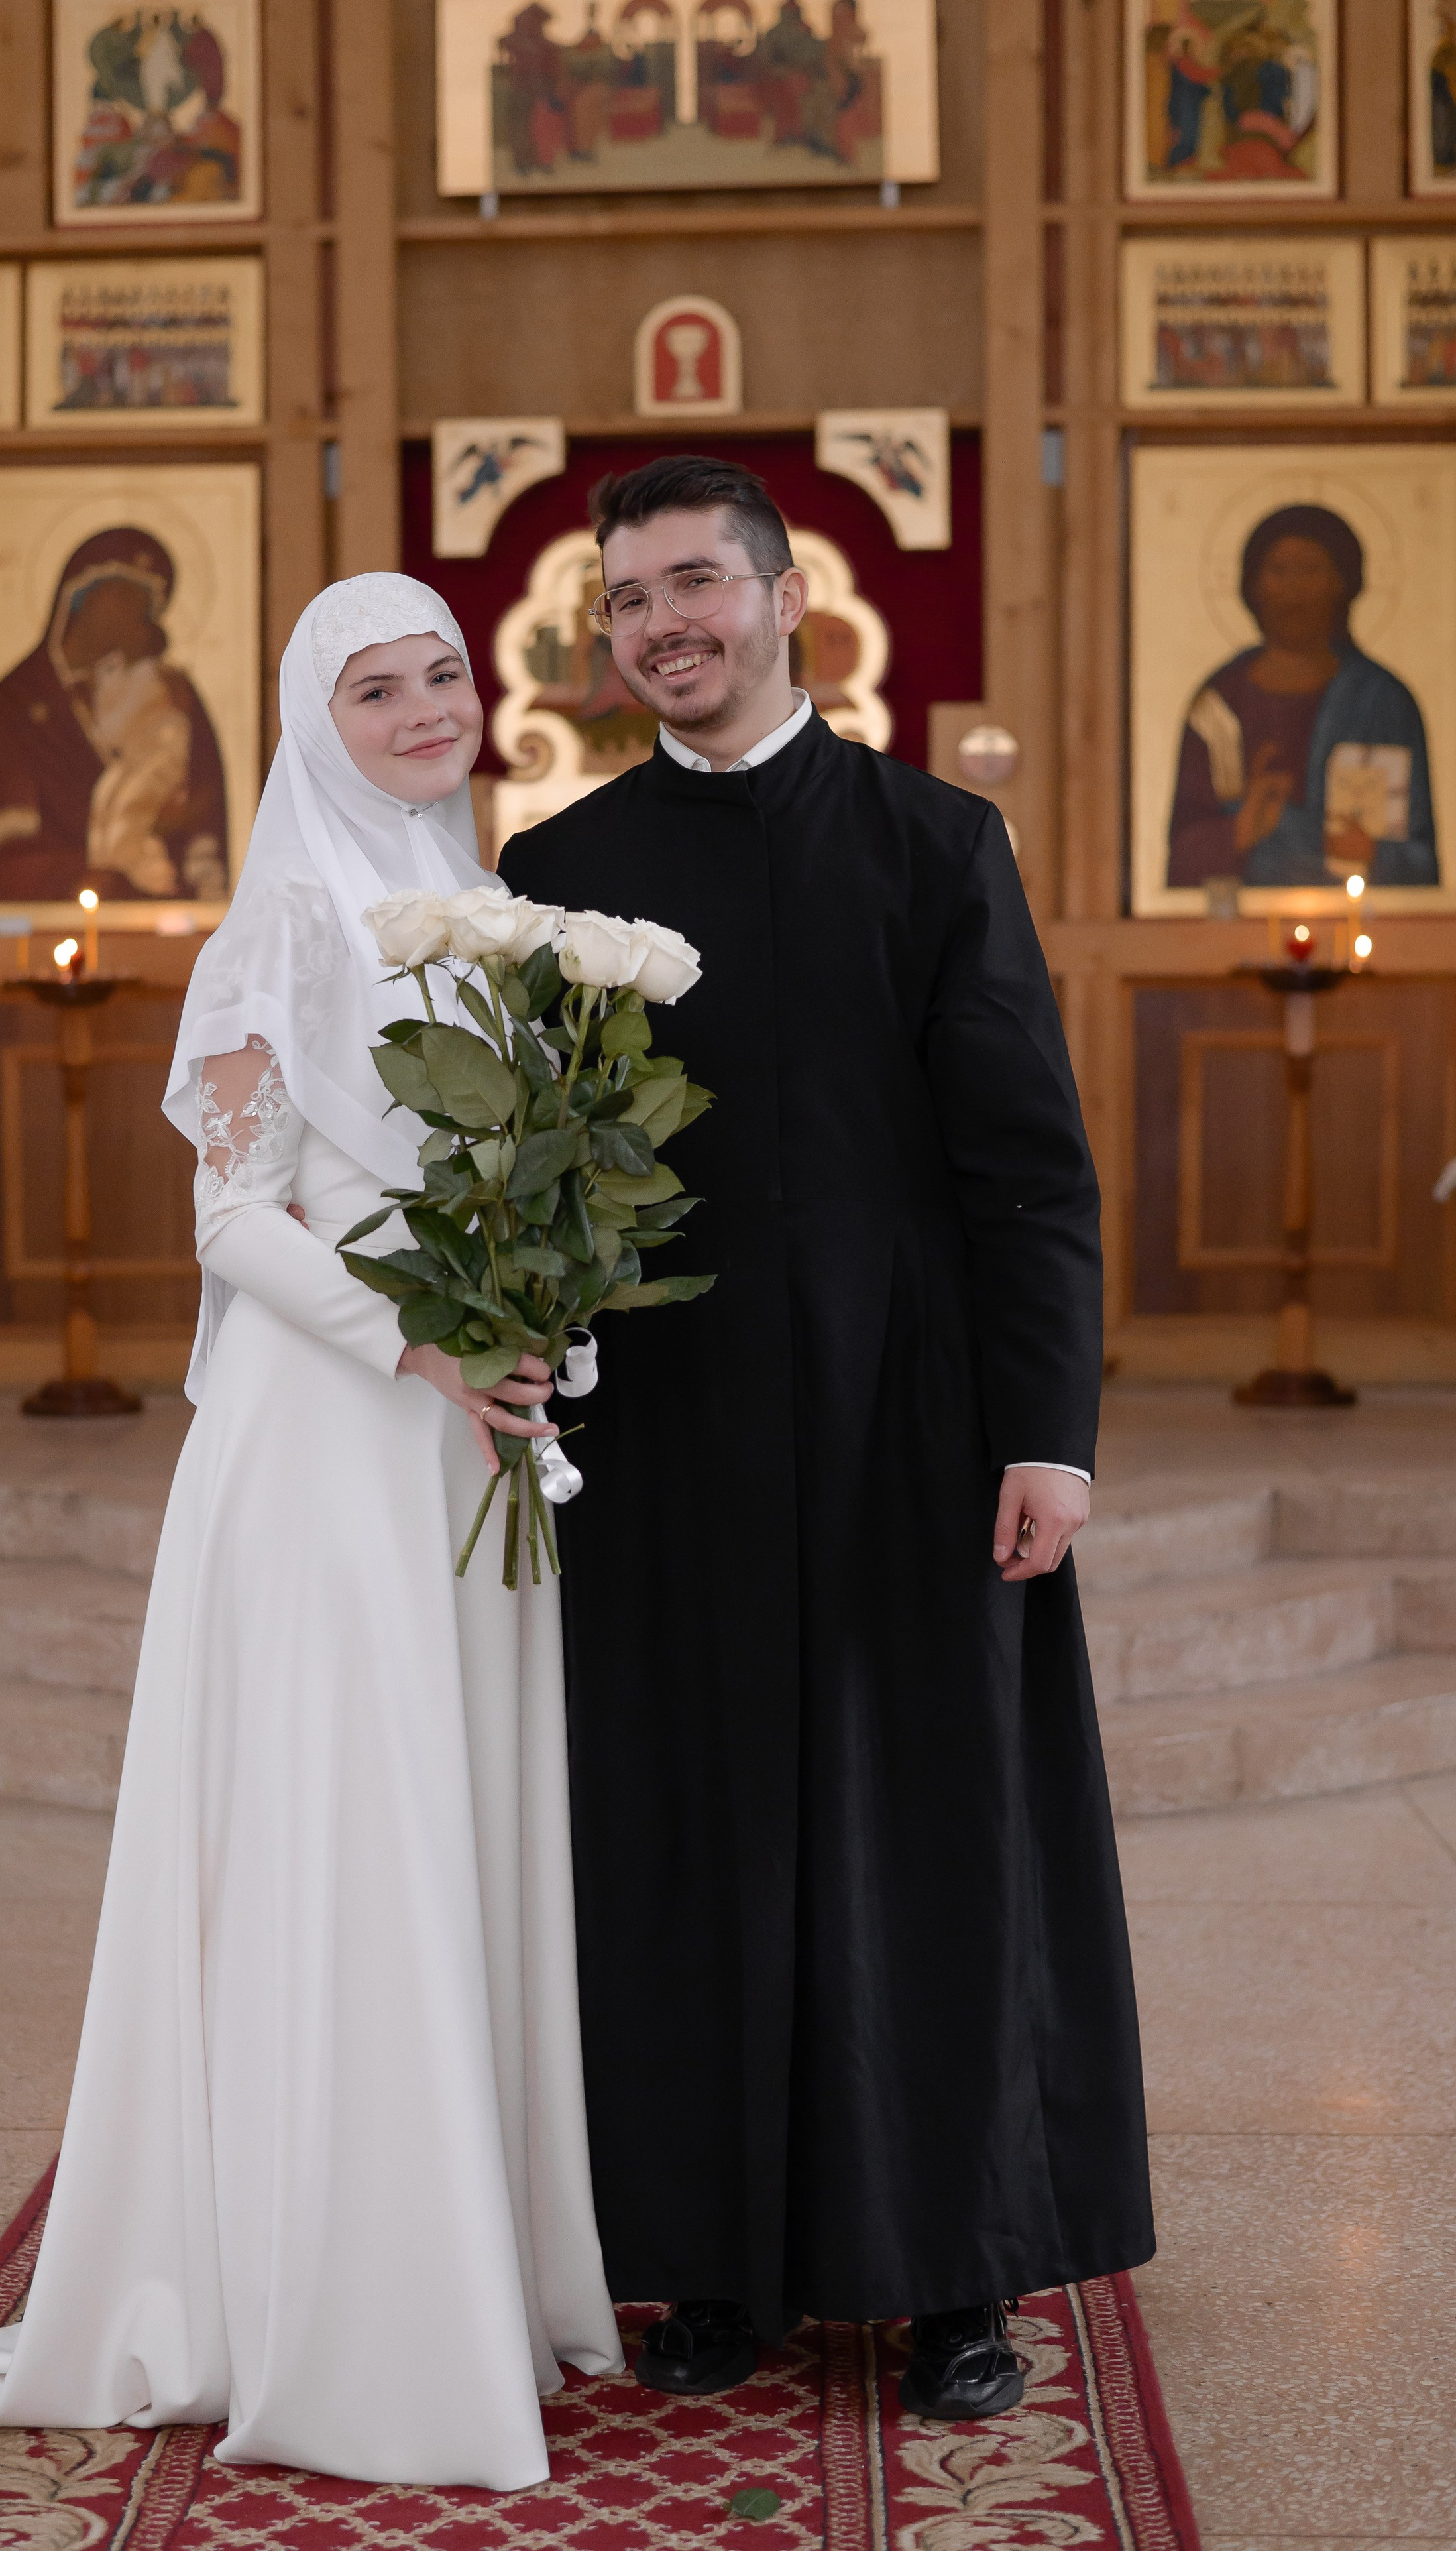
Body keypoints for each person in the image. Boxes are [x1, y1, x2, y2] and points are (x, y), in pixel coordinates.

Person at [0, 574, 622, 2486]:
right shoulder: (276, 930)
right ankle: (347, 2301)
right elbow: (233, 1221)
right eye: (376, 688)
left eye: (445, 677)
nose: (423, 711)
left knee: (457, 1828)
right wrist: (421, 1341)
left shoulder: (483, 912)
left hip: (460, 1433)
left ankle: (470, 2253)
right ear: (316, 718)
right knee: (355, 1834)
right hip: (334, 1440)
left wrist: (532, 1313)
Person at [499, 454, 1153, 2422]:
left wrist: (1048, 1432)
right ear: (603, 637)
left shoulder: (934, 843)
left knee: (929, 1838)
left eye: (695, 582)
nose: (661, 623)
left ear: (792, 604)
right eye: (627, 600)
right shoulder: (550, 873)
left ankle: (955, 2273)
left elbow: (1026, 1170)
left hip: (910, 1416)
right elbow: (524, 1179)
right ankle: (705, 2263)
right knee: (680, 1838)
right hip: (664, 1435)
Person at [1167, 502, 1437, 891]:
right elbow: (1181, 859)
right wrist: (1242, 829)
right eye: (1279, 571)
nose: (1294, 591)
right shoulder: (1220, 707)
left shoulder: (1381, 700)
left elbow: (1423, 862)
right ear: (1254, 585)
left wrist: (1373, 853)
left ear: (1341, 583)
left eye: (1311, 571)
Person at [0, 527, 228, 906]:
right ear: (79, 599)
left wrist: (173, 822)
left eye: (145, 608)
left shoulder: (170, 692)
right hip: (53, 904)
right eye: (123, 598)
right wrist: (80, 874)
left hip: (150, 906)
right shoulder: (17, 703)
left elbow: (204, 808)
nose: (137, 618)